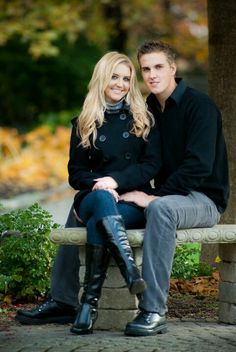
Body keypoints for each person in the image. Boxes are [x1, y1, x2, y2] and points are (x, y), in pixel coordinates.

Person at [15, 51, 162, 334]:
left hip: (131, 200)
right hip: (92, 196)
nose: (120, 84)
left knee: (100, 221)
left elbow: (151, 165)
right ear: (101, 78)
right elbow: (76, 173)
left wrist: (116, 181)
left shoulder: (143, 118)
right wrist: (100, 183)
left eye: (126, 79)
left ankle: (87, 306)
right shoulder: (84, 121)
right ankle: (130, 271)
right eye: (114, 77)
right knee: (100, 200)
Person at [118, 40, 229, 336]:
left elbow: (199, 166)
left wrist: (153, 196)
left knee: (160, 207)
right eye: (145, 69)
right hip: (167, 197)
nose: (152, 75)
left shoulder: (200, 106)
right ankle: (62, 299)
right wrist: (112, 185)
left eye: (158, 67)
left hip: (203, 199)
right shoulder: (149, 110)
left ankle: (153, 311)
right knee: (94, 203)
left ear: (172, 69)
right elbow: (142, 160)